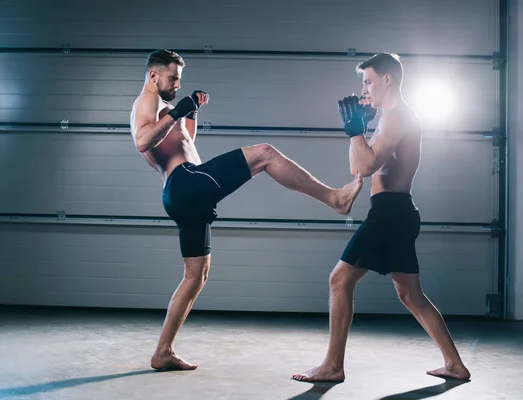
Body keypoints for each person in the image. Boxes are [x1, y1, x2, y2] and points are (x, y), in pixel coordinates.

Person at [130, 49, 363, 371]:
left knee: (196, 276)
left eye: (179, 79)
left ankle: (163, 352)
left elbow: (186, 144)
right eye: (172, 78)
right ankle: (334, 199)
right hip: (185, 183)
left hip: (181, 191)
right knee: (264, 154)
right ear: (154, 75)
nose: (176, 84)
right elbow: (143, 140)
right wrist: (175, 112)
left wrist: (190, 113)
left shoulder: (162, 106)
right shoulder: (147, 101)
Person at [292, 53, 471, 382]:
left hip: (389, 213)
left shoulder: (397, 116)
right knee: (410, 294)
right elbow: (357, 168)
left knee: (339, 281)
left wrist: (355, 132)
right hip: (397, 211)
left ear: (387, 79)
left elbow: (369, 166)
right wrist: (356, 129)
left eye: (368, 81)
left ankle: (332, 366)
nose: (364, 88)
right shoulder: (390, 117)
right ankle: (455, 365)